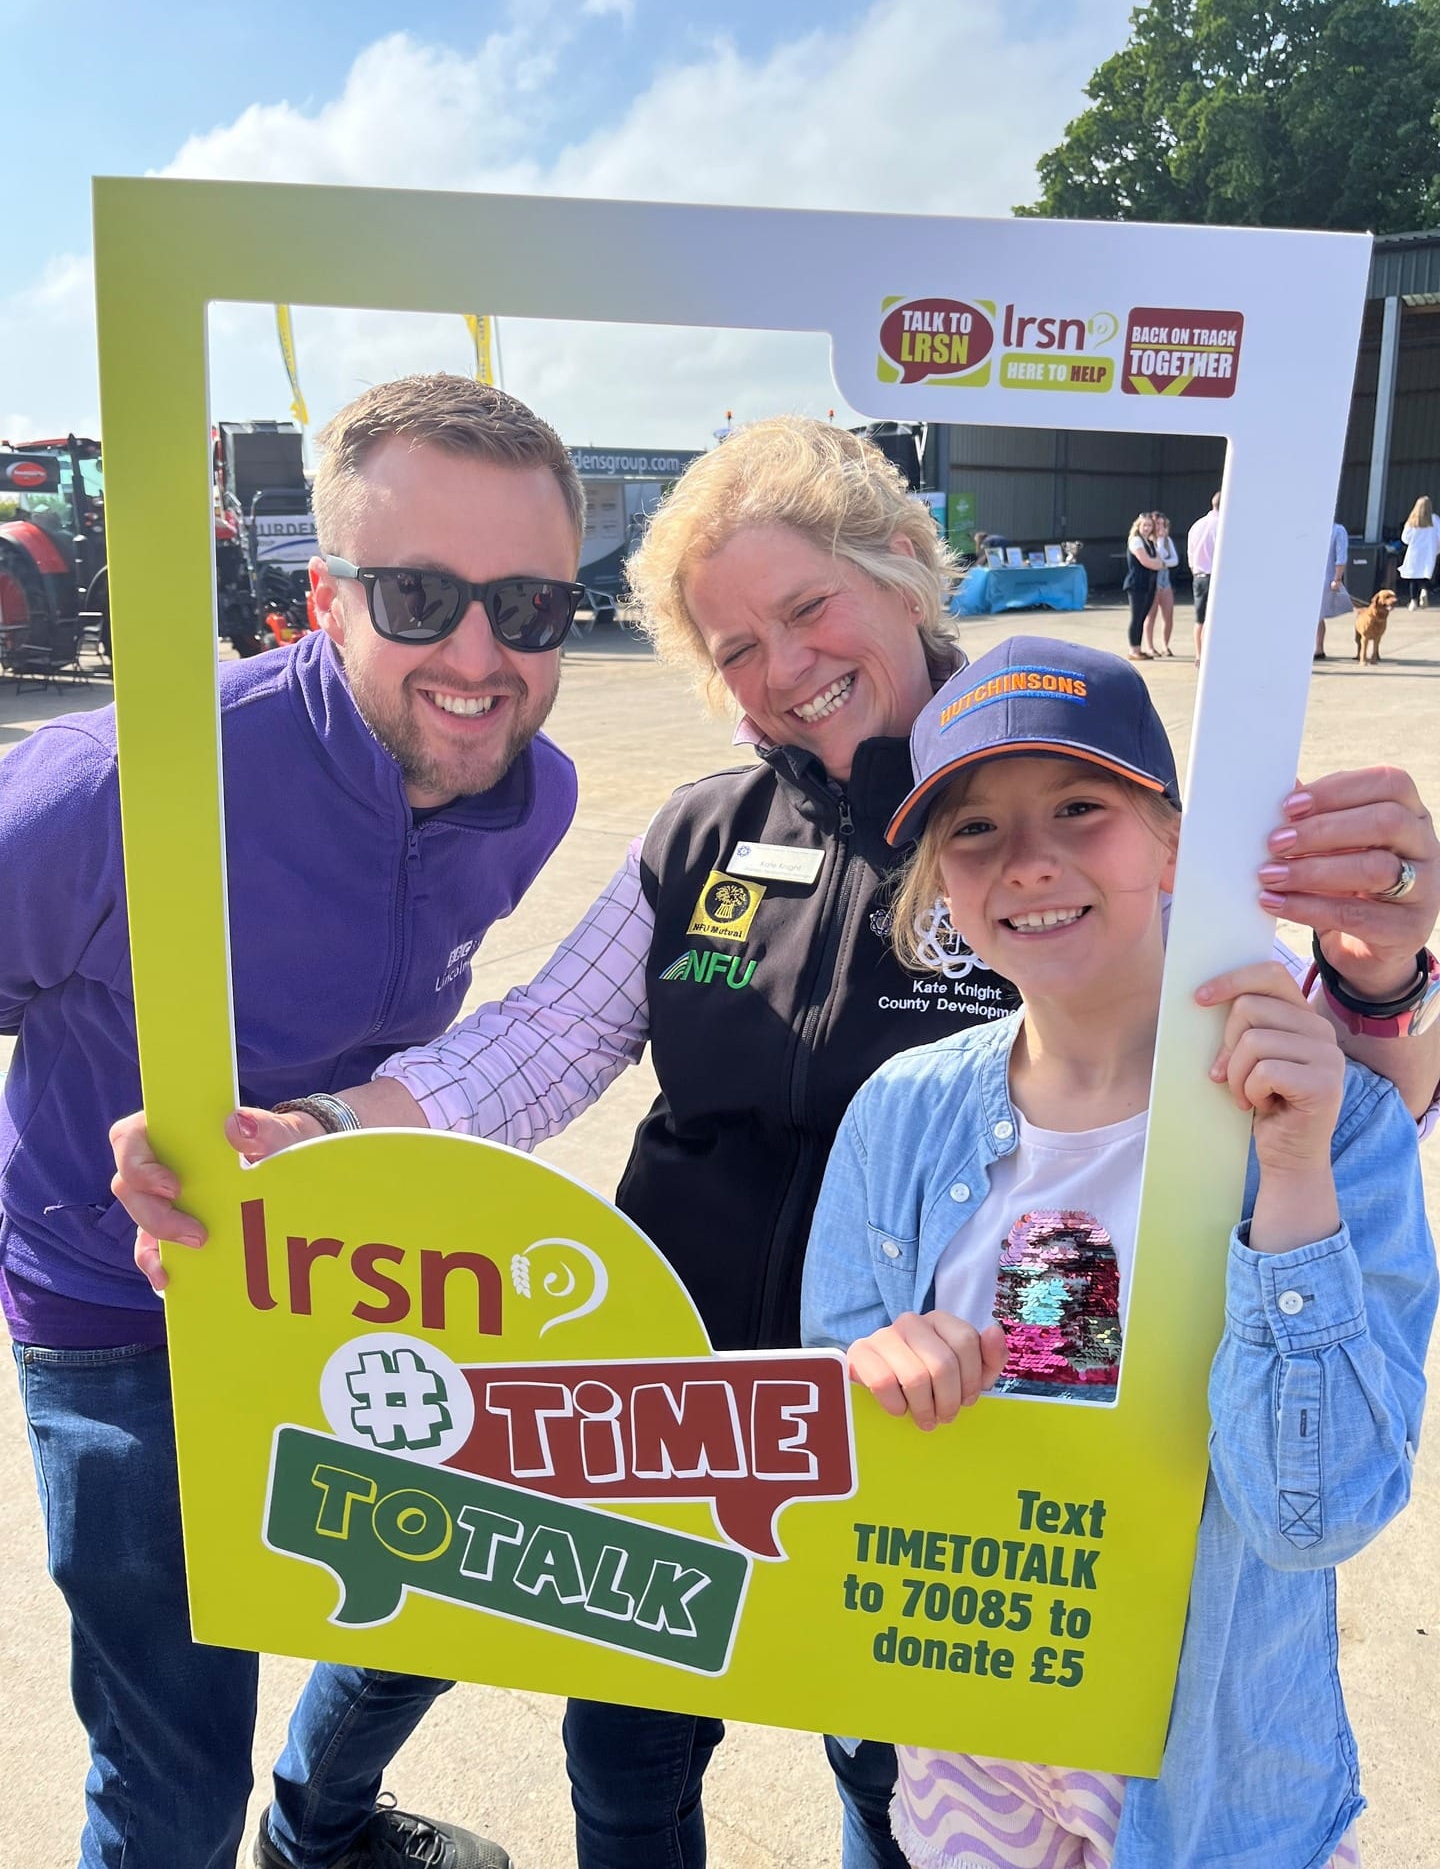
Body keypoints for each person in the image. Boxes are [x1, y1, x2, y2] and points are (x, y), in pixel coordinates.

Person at [114, 421, 1440, 1869]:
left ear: (904, 572)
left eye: (808, 609)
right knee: (622, 1746)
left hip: (929, 1441)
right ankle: (317, 1819)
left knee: (901, 1766)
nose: (782, 667)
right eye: (732, 644)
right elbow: (537, 1046)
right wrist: (308, 1140)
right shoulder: (705, 830)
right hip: (681, 1407)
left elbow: (1282, 1084)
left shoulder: (1074, 808)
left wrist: (1382, 977)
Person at [0, 372, 593, 1869]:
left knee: (440, 1593)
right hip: (126, 1321)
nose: (479, 656)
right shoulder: (118, 788)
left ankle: (318, 1828)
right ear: (323, 597)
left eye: (528, 607)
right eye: (416, 594)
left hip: (363, 1280)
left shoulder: (536, 795)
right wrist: (84, 1174)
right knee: (172, 1761)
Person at [802, 636, 1436, 1869]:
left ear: (1173, 843)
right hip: (969, 1762)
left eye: (1080, 808)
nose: (1029, 860)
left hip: (1210, 1788)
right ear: (937, 885)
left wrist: (1294, 1177)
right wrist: (879, 1372)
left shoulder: (1334, 1117)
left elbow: (1316, 1513)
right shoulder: (899, 1112)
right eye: (974, 830)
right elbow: (833, 1405)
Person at [1122, 512, 1163, 660]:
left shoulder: (1150, 542)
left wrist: (1158, 564)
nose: (1146, 528)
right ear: (1138, 526)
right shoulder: (1136, 541)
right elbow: (1146, 561)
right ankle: (1133, 649)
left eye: (1149, 525)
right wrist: (1158, 564)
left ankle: (1138, 648)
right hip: (1137, 584)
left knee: (1142, 616)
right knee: (1136, 617)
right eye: (1144, 525)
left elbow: (1159, 560)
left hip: (1149, 584)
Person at [1187, 490, 1220, 662]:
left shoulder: (1197, 525)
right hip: (1216, 577)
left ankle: (1199, 655)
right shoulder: (1222, 526)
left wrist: (1194, 570)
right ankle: (1211, 655)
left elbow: (1190, 552)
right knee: (1214, 618)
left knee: (1199, 619)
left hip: (1199, 576)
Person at [1141, 510, 1179, 657]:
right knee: (1151, 615)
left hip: (1165, 579)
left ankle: (1165, 645)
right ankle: (1150, 646)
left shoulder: (1167, 541)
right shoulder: (1150, 541)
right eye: (1158, 524)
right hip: (1153, 580)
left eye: (1163, 524)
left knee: (1168, 614)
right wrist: (1163, 561)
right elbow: (1159, 556)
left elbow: (1174, 560)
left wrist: (1162, 563)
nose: (1161, 528)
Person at [1317, 520, 1351, 660]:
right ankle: (1318, 648)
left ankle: (1318, 648)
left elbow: (1341, 557)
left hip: (1322, 577)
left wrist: (1337, 578)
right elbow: (1341, 557)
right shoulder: (1337, 530)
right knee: (1317, 616)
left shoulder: (1335, 530)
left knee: (1316, 616)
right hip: (1323, 577)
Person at [1400, 495, 1438, 609]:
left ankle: (1413, 602)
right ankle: (1424, 591)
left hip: (1414, 553)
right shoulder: (1434, 519)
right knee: (1425, 574)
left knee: (1413, 576)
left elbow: (1405, 539)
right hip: (1429, 552)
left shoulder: (1412, 521)